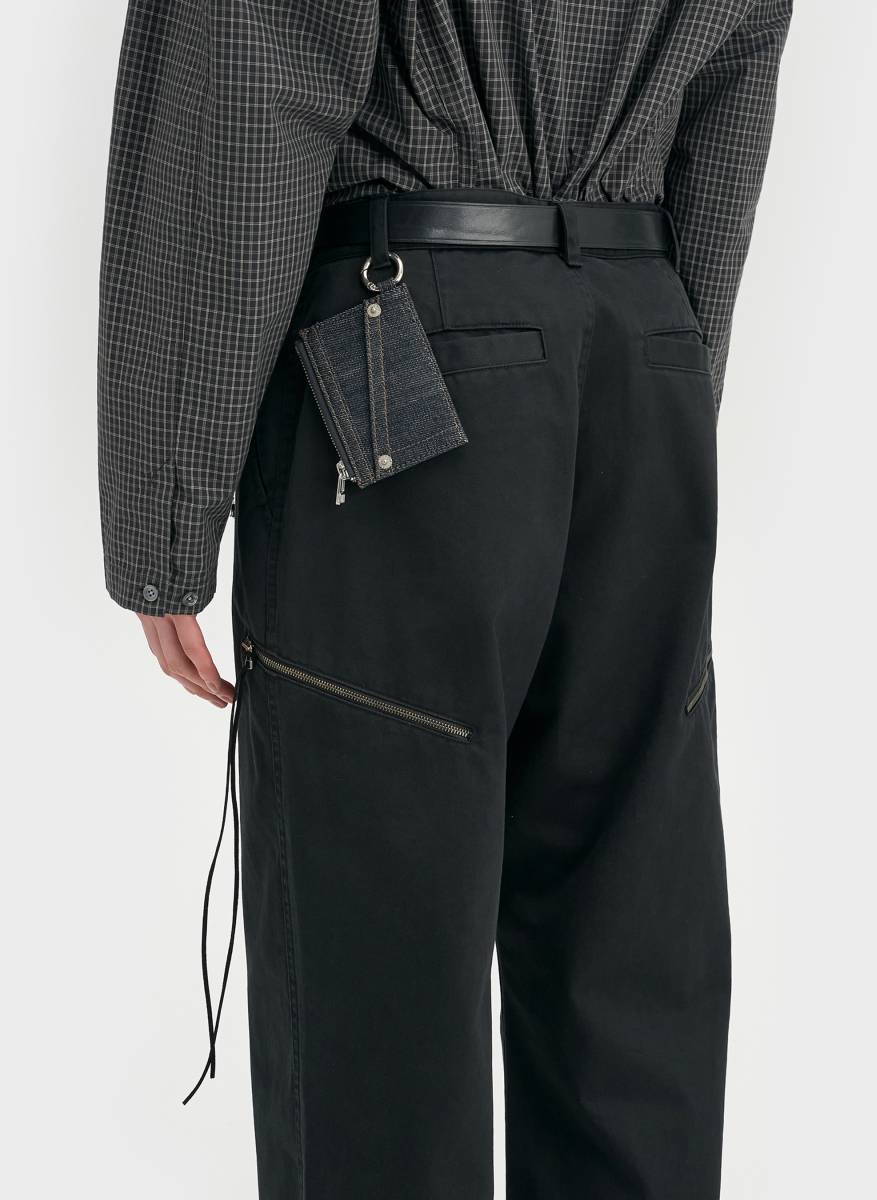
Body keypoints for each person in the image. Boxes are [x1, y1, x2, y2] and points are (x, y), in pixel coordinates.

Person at [99, 2, 792, 1197]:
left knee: (381, 980)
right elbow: (737, 75)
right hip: (643, 338)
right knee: (630, 960)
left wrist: (166, 509)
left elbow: (253, 59)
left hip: (414, 334)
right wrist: (668, 380)